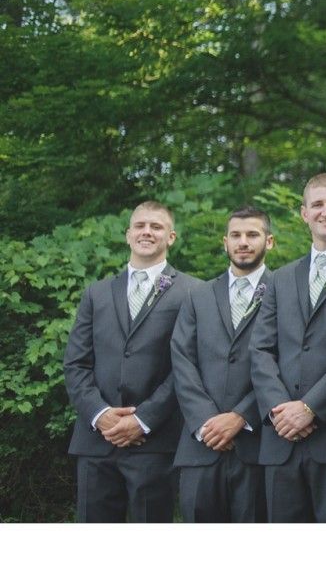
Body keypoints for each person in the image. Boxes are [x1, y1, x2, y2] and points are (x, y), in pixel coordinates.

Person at [64, 201, 198, 522]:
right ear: (128, 235)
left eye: (156, 227)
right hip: (96, 441)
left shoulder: (193, 292)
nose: (146, 232)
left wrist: (144, 419)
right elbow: (76, 364)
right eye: (140, 225)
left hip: (155, 441)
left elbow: (188, 366)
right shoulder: (96, 293)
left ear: (171, 237)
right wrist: (101, 415)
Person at [249, 173, 326, 522]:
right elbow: (260, 350)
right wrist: (280, 410)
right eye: (317, 204)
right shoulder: (281, 278)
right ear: (304, 213)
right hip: (281, 440)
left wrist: (311, 406)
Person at [171, 206, 275, 522]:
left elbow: (286, 363)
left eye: (252, 234)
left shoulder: (284, 291)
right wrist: (206, 421)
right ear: (225, 242)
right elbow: (182, 359)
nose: (243, 242)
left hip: (257, 446)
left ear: (269, 241)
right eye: (235, 235)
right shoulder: (198, 295)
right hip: (200, 446)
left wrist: (241, 416)